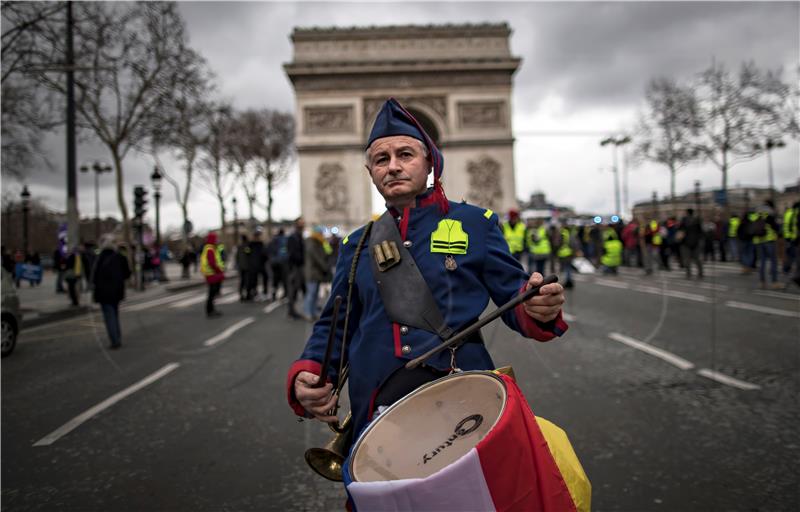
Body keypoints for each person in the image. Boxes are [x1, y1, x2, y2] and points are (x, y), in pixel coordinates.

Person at [286, 97, 567, 450]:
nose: (392, 167)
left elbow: (515, 297)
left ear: (430, 161)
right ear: (370, 171)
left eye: (405, 155)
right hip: (377, 403)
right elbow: (335, 325)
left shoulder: (475, 225)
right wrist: (309, 373)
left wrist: (536, 305)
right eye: (380, 159)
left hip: (462, 397)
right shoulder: (355, 245)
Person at [91, 234, 131, 349]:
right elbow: (127, 273)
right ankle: (117, 336)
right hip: (117, 290)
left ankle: (115, 340)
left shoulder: (98, 258)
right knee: (114, 313)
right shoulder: (120, 257)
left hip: (103, 291)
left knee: (109, 316)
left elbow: (93, 276)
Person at [303, 225, 333, 320]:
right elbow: (317, 257)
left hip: (317, 272)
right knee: (311, 294)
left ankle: (313, 312)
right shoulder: (311, 242)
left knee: (315, 294)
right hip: (312, 272)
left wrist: (325, 243)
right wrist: (325, 267)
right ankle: (308, 313)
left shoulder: (320, 242)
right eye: (321, 233)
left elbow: (328, 252)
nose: (322, 235)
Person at [200, 232, 225, 317]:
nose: (217, 240)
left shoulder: (209, 248)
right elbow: (212, 263)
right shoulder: (210, 249)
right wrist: (219, 271)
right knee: (212, 293)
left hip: (210, 274)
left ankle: (211, 310)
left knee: (212, 293)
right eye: (216, 239)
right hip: (211, 274)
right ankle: (210, 311)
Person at [286, 217, 306, 319]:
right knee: (293, 289)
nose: (303, 225)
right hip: (295, 267)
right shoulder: (293, 237)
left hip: (299, 266)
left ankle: (297, 310)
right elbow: (292, 253)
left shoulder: (299, 236)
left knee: (299, 289)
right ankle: (292, 311)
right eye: (301, 223)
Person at [678, 208, 704, 279]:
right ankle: (700, 273)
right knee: (697, 259)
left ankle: (688, 274)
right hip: (696, 242)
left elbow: (680, 231)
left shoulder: (683, 220)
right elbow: (701, 232)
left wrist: (679, 240)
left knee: (687, 260)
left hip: (686, 243)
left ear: (687, 213)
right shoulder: (697, 220)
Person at [268, 228, 289, 301]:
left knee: (275, 280)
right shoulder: (285, 240)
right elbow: (286, 251)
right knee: (284, 280)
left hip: (274, 264)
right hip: (283, 263)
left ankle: (273, 294)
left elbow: (268, 251)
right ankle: (286, 294)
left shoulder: (273, 241)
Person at [236, 234, 250, 301]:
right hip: (246, 266)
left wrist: (237, 265)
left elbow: (237, 257)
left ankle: (241, 294)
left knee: (242, 281)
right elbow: (248, 254)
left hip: (241, 266)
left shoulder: (239, 246)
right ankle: (247, 295)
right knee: (247, 281)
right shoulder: (247, 246)